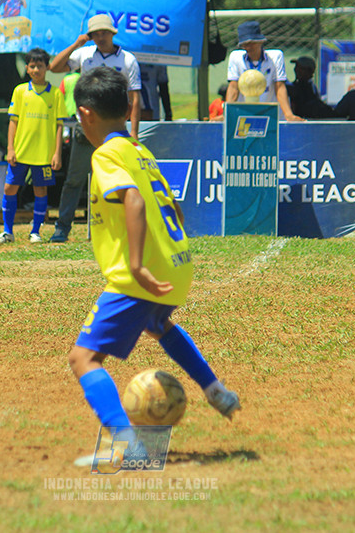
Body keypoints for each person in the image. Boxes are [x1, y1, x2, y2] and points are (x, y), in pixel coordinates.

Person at [66, 66, 240, 467]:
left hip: (139, 276)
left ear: (86, 115)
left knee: (83, 358)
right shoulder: (138, 150)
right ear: (129, 107)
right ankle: (216, 391)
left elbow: (135, 201)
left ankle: (128, 447)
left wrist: (138, 264)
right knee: (158, 325)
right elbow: (172, 204)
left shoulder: (106, 154)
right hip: (177, 264)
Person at [47, 13, 142, 243]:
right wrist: (77, 44)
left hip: (117, 132)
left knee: (118, 181)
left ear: (112, 33)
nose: (100, 37)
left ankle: (119, 228)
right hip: (86, 129)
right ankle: (62, 228)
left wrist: (134, 133)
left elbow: (135, 99)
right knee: (74, 180)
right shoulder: (84, 54)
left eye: (103, 32)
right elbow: (54, 66)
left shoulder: (128, 59)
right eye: (95, 34)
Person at [0, 48, 64, 244]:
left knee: (41, 191)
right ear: (26, 68)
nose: (36, 69)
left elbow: (59, 126)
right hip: (21, 152)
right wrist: (11, 149)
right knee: (9, 188)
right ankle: (7, 232)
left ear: (47, 67)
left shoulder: (56, 94)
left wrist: (57, 153)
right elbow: (13, 122)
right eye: (32, 66)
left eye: (40, 66)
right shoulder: (20, 91)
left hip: (44, 154)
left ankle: (36, 232)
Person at [223, 20, 302, 121]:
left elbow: (280, 87)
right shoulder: (236, 57)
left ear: (261, 41)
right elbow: (233, 87)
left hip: (272, 116)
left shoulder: (276, 57)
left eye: (251, 43)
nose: (248, 47)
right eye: (244, 44)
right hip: (245, 116)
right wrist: (227, 115)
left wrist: (288, 114)